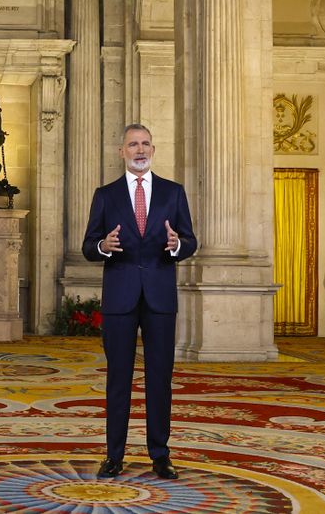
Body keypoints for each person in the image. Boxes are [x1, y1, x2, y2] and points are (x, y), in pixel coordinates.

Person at [82, 123, 197, 480]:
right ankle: (113, 456)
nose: (140, 149)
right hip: (120, 297)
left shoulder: (173, 192)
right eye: (133, 144)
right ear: (122, 152)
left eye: (145, 143)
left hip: (160, 297)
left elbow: (190, 241)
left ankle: (160, 455)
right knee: (119, 379)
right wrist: (103, 246)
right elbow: (88, 246)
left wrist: (177, 245)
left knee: (160, 379)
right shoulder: (105, 195)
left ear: (153, 149)